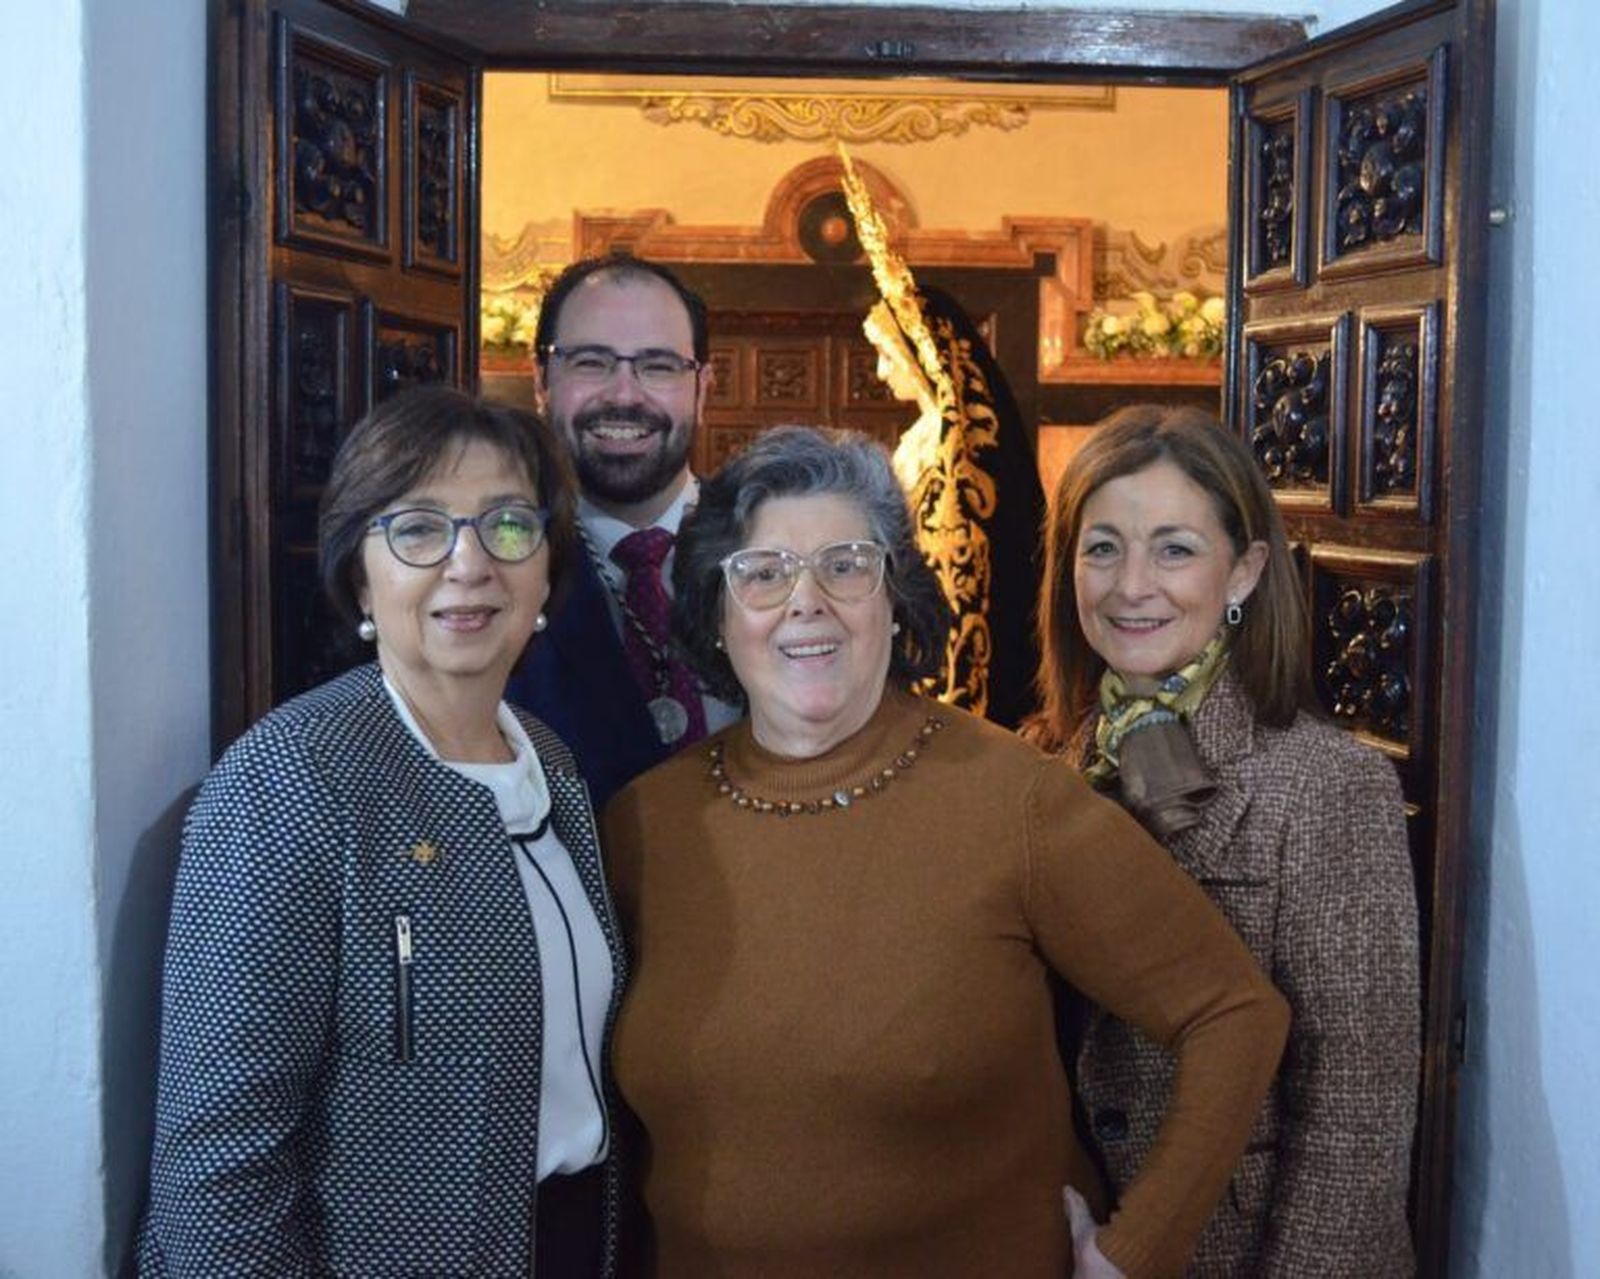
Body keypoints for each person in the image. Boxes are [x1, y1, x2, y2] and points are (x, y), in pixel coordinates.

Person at [602, 425, 1290, 1278]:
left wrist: (1131, 1253)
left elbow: (1232, 1013)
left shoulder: (1016, 801)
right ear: (715, 610)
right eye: (763, 573)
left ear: (897, 598)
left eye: (847, 564)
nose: (805, 600)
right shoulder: (640, 825)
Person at [140, 386, 626, 1276]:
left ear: (547, 571)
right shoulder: (291, 778)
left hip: (565, 1241)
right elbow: (216, 1162)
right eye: (417, 529)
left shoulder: (549, 761)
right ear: (361, 574)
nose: (469, 564)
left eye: (508, 526)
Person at [1030, 404, 1420, 1276]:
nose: (1133, 584)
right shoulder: (1043, 761)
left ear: (1241, 573)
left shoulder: (1327, 788)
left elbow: (1356, 1113)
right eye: (1102, 547)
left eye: (1175, 548)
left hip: (1238, 1253)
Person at [505, 254, 741, 808]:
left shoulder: (768, 546)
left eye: (658, 366)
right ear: (541, 380)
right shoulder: (491, 569)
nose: (625, 394)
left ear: (703, 389)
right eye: (591, 362)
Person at [864, 282, 1047, 728]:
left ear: (920, 356)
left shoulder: (963, 446)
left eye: (888, 356)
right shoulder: (924, 438)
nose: (882, 372)